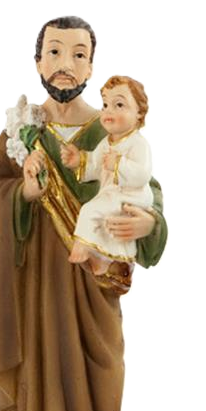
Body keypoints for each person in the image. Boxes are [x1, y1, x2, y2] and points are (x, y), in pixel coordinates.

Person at [0, 15, 167, 411]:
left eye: (79, 55)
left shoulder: (112, 124)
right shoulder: (21, 130)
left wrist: (148, 224)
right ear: (37, 62)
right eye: (54, 52)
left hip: (94, 288)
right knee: (41, 383)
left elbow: (146, 190)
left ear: (92, 66)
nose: (65, 65)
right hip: (36, 289)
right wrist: (23, 193)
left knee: (102, 379)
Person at [61, 74, 154, 275]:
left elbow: (142, 174)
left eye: (119, 105)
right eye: (104, 105)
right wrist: (79, 161)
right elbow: (95, 165)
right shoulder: (106, 142)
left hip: (132, 195)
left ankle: (81, 245)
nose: (108, 111)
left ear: (139, 113)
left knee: (90, 210)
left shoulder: (138, 144)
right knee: (108, 226)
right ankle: (105, 259)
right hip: (112, 193)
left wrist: (118, 164)